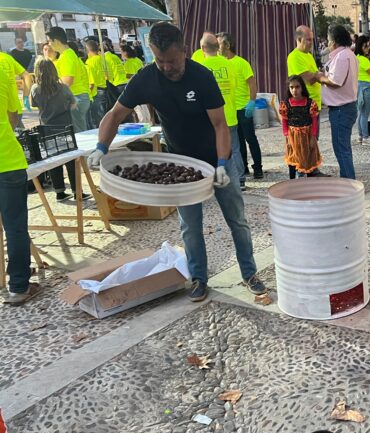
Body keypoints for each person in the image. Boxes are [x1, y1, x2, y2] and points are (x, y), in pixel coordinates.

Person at [87, 22, 267, 302]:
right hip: (181, 166)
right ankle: (198, 278)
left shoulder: (202, 77)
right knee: (190, 226)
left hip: (217, 160)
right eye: (160, 60)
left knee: (237, 220)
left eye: (171, 60)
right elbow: (115, 114)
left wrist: (222, 162)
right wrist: (101, 146)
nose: (167, 67)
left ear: (184, 50)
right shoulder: (146, 78)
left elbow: (220, 125)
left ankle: (250, 273)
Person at [1, 54, 40, 305]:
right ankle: (18, 286)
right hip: (7, 159)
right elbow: (14, 116)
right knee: (15, 225)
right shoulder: (3, 64)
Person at [31, 59, 91, 202]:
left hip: (46, 129)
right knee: (71, 160)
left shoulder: (35, 89)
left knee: (53, 160)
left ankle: (59, 192)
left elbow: (34, 105)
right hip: (65, 127)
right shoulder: (63, 87)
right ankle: (77, 191)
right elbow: (73, 103)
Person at [196, 33, 246, 193]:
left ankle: (213, 178)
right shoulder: (230, 64)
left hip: (210, 118)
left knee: (213, 149)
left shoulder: (201, 68)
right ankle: (240, 180)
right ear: (218, 47)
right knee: (235, 149)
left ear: (203, 48)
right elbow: (234, 85)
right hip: (230, 114)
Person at [218, 32, 264, 186]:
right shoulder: (221, 64)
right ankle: (243, 168)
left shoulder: (242, 63)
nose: (218, 48)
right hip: (231, 109)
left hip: (244, 107)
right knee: (238, 142)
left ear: (228, 45)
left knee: (250, 138)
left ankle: (258, 168)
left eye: (220, 44)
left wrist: (252, 102)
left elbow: (252, 83)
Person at [317, 25, 359, 180]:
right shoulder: (346, 55)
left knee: (342, 149)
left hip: (342, 109)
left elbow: (336, 81)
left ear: (333, 41)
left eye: (328, 40)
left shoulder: (342, 56)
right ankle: (347, 179)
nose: (328, 43)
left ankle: (349, 182)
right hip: (343, 108)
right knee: (342, 147)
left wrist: (319, 77)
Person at [46, 27, 90, 132]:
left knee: (79, 134)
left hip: (76, 98)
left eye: (49, 41)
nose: (49, 44)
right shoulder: (67, 54)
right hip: (77, 97)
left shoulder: (67, 56)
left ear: (56, 41)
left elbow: (67, 82)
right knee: (80, 131)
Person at [281, 75, 323, 178]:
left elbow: (314, 120)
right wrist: (287, 136)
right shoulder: (286, 104)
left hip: (307, 135)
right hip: (292, 136)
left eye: (297, 87)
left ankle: (308, 183)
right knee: (293, 158)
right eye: (292, 87)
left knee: (308, 158)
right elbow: (284, 121)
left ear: (302, 87)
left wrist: (313, 137)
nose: (294, 90)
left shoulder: (310, 103)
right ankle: (291, 182)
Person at [287, 26, 322, 112]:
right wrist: (321, 75)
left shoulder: (309, 55)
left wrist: (318, 74)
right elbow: (309, 79)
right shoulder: (294, 57)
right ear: (299, 39)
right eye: (308, 40)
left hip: (314, 105)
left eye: (311, 40)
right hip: (304, 107)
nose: (311, 43)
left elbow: (315, 74)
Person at [354, 36, 370, 146]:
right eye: (366, 46)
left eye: (369, 45)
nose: (368, 48)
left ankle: (360, 136)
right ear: (360, 46)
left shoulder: (358, 58)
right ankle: (365, 136)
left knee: (361, 113)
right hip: (366, 87)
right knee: (365, 113)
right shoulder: (362, 59)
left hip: (362, 87)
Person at [84, 40, 107, 128]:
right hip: (105, 87)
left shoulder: (89, 62)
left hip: (95, 90)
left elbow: (91, 80)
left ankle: (101, 130)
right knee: (103, 112)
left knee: (97, 115)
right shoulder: (103, 59)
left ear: (88, 50)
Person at [10, 38, 33, 110]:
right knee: (21, 89)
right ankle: (24, 102)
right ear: (16, 43)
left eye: (22, 42)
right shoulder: (13, 52)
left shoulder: (27, 51)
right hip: (19, 74)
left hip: (28, 72)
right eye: (19, 42)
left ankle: (28, 102)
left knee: (29, 88)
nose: (21, 43)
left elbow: (31, 61)